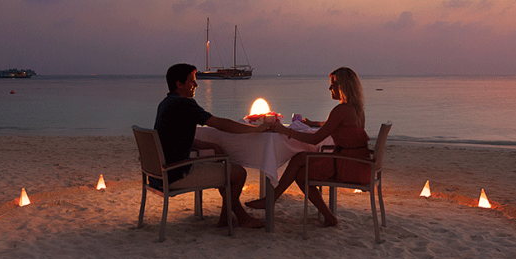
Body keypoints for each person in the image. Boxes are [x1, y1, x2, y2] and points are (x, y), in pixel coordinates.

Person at [245, 67, 370, 227]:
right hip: (359, 164)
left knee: (300, 165)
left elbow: (315, 139)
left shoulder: (340, 110)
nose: (330, 88)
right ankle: (326, 216)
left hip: (346, 167)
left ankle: (272, 199)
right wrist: (314, 123)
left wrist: (286, 131)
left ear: (344, 86)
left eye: (334, 84)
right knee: (300, 163)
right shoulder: (357, 110)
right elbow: (340, 125)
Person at [154, 63, 269, 229]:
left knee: (223, 166)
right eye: (192, 81)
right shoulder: (185, 104)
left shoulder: (165, 104)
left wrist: (208, 145)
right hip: (177, 174)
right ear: (179, 84)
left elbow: (173, 138)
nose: (196, 84)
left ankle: (230, 218)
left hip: (159, 174)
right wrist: (256, 129)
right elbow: (219, 123)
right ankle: (234, 219)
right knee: (238, 173)